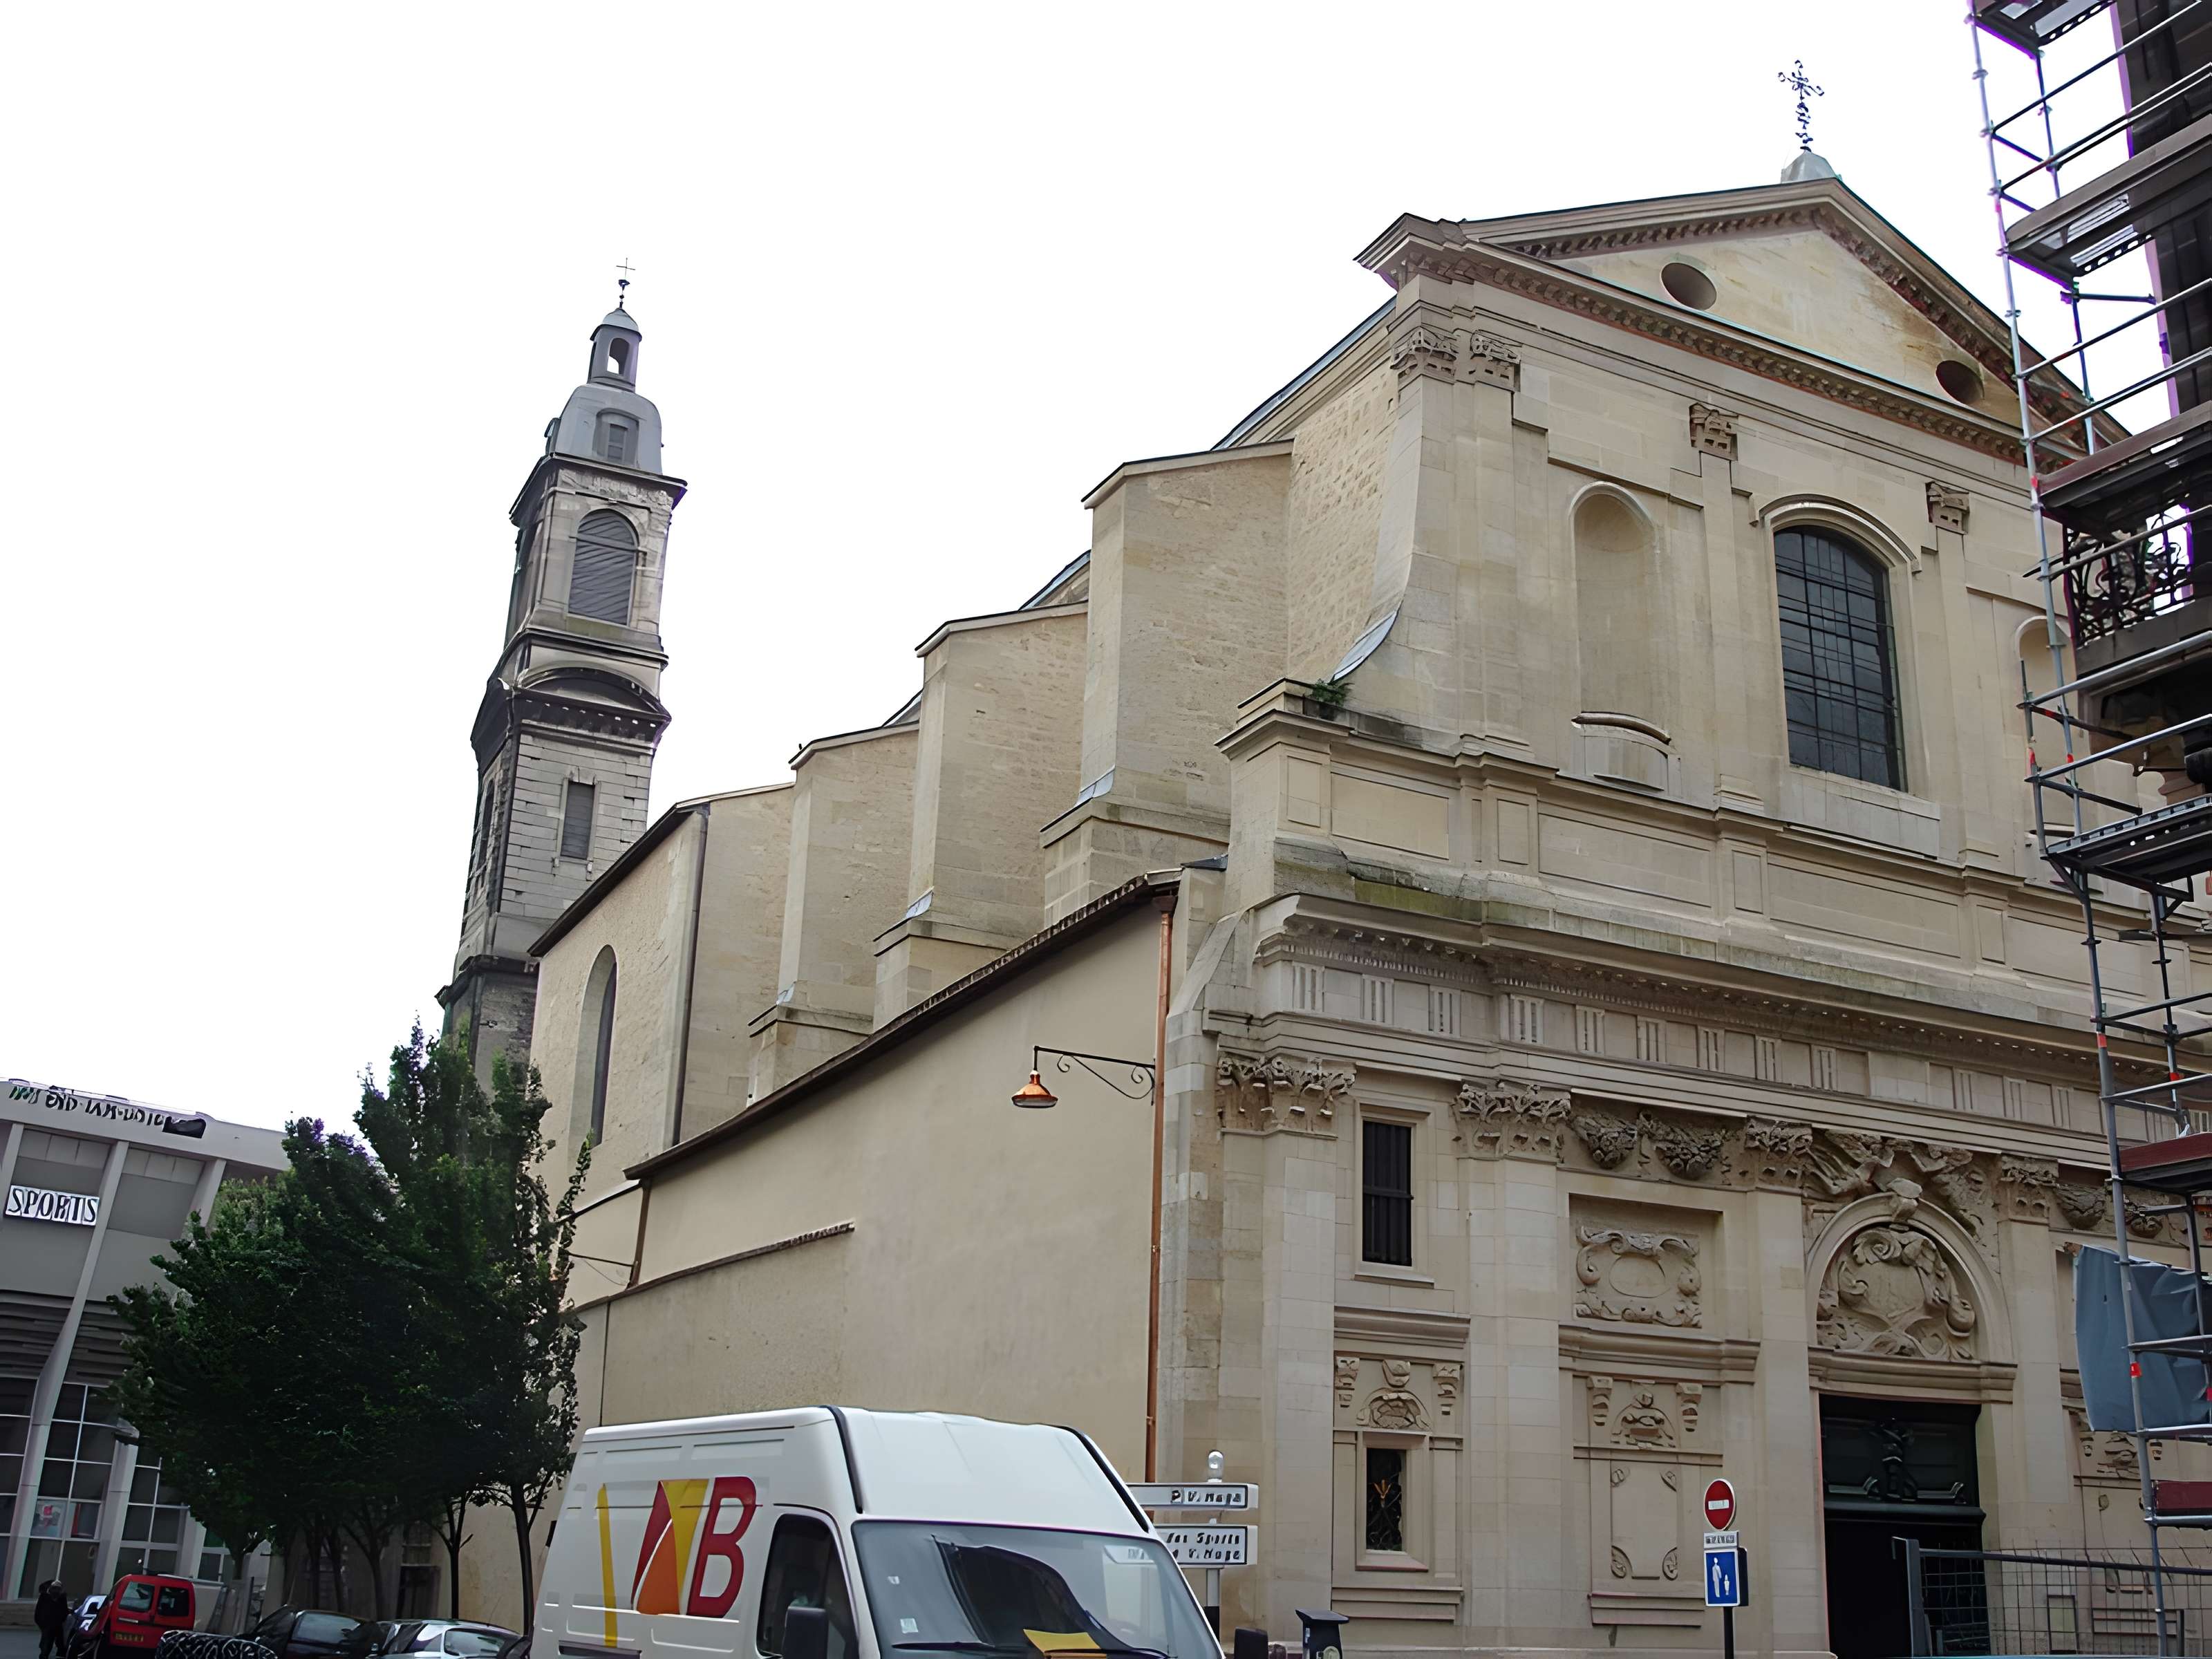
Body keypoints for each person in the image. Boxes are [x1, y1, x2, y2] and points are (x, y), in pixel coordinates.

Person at [35, 1580, 71, 1659]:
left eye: (58, 1589)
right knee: (46, 1644)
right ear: (51, 1589)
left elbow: (64, 1611)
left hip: (57, 1625)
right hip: (47, 1625)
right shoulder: (45, 1598)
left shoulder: (61, 1599)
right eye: (55, 1588)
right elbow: (39, 1612)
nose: (56, 1591)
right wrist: (42, 1624)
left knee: (60, 1644)